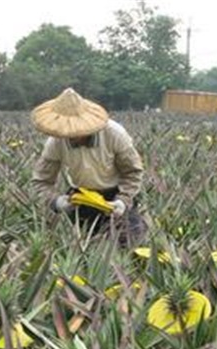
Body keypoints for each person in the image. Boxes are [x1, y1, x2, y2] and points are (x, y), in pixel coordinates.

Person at [30, 87, 147, 247]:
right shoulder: (55, 142)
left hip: (115, 195)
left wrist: (123, 200)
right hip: (80, 197)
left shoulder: (114, 134)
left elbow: (133, 172)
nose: (70, 135)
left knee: (128, 244)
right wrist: (56, 201)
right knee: (77, 248)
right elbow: (41, 181)